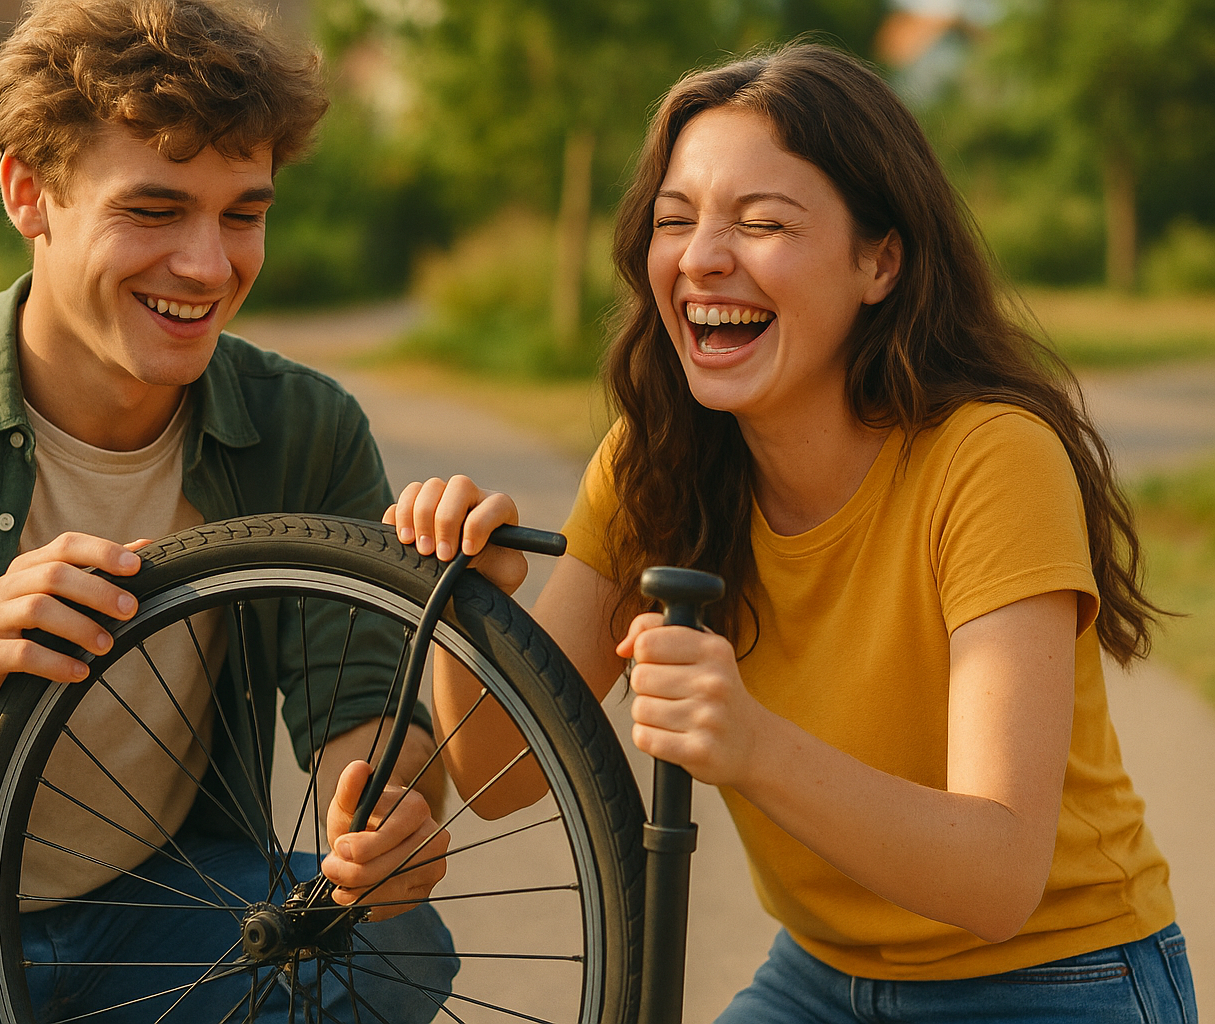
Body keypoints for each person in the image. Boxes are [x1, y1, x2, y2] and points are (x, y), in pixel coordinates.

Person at [392, 42, 1196, 1022]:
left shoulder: (990, 459)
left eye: (763, 222)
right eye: (675, 219)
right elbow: (504, 775)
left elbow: (996, 878)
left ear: (880, 261)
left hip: (1054, 975)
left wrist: (750, 742)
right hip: (821, 976)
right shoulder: (657, 463)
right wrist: (471, 592)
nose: (702, 257)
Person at [0, 2, 454, 1022]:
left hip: (165, 912)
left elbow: (366, 729)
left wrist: (386, 813)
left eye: (244, 213)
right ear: (29, 191)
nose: (208, 264)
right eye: (153, 210)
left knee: (393, 942)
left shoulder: (304, 430)